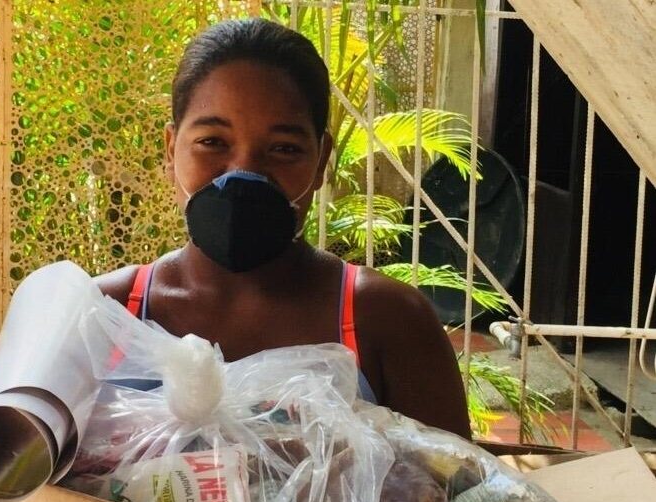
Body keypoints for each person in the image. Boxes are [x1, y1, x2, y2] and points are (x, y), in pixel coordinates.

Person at [97, 18, 472, 439]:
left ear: (321, 161)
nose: (243, 174)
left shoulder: (388, 320)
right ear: (170, 150)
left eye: (284, 149)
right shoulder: (105, 313)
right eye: (213, 142)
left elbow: (458, 491)